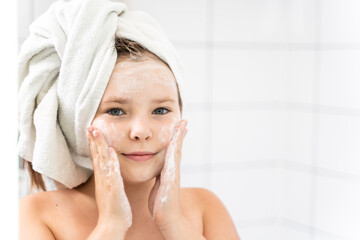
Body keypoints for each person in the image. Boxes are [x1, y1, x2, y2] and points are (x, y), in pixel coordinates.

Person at [19, 37, 240, 239]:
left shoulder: (205, 208)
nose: (141, 131)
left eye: (161, 110)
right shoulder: (34, 215)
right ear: (79, 122)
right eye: (116, 111)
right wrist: (111, 225)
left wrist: (174, 224)